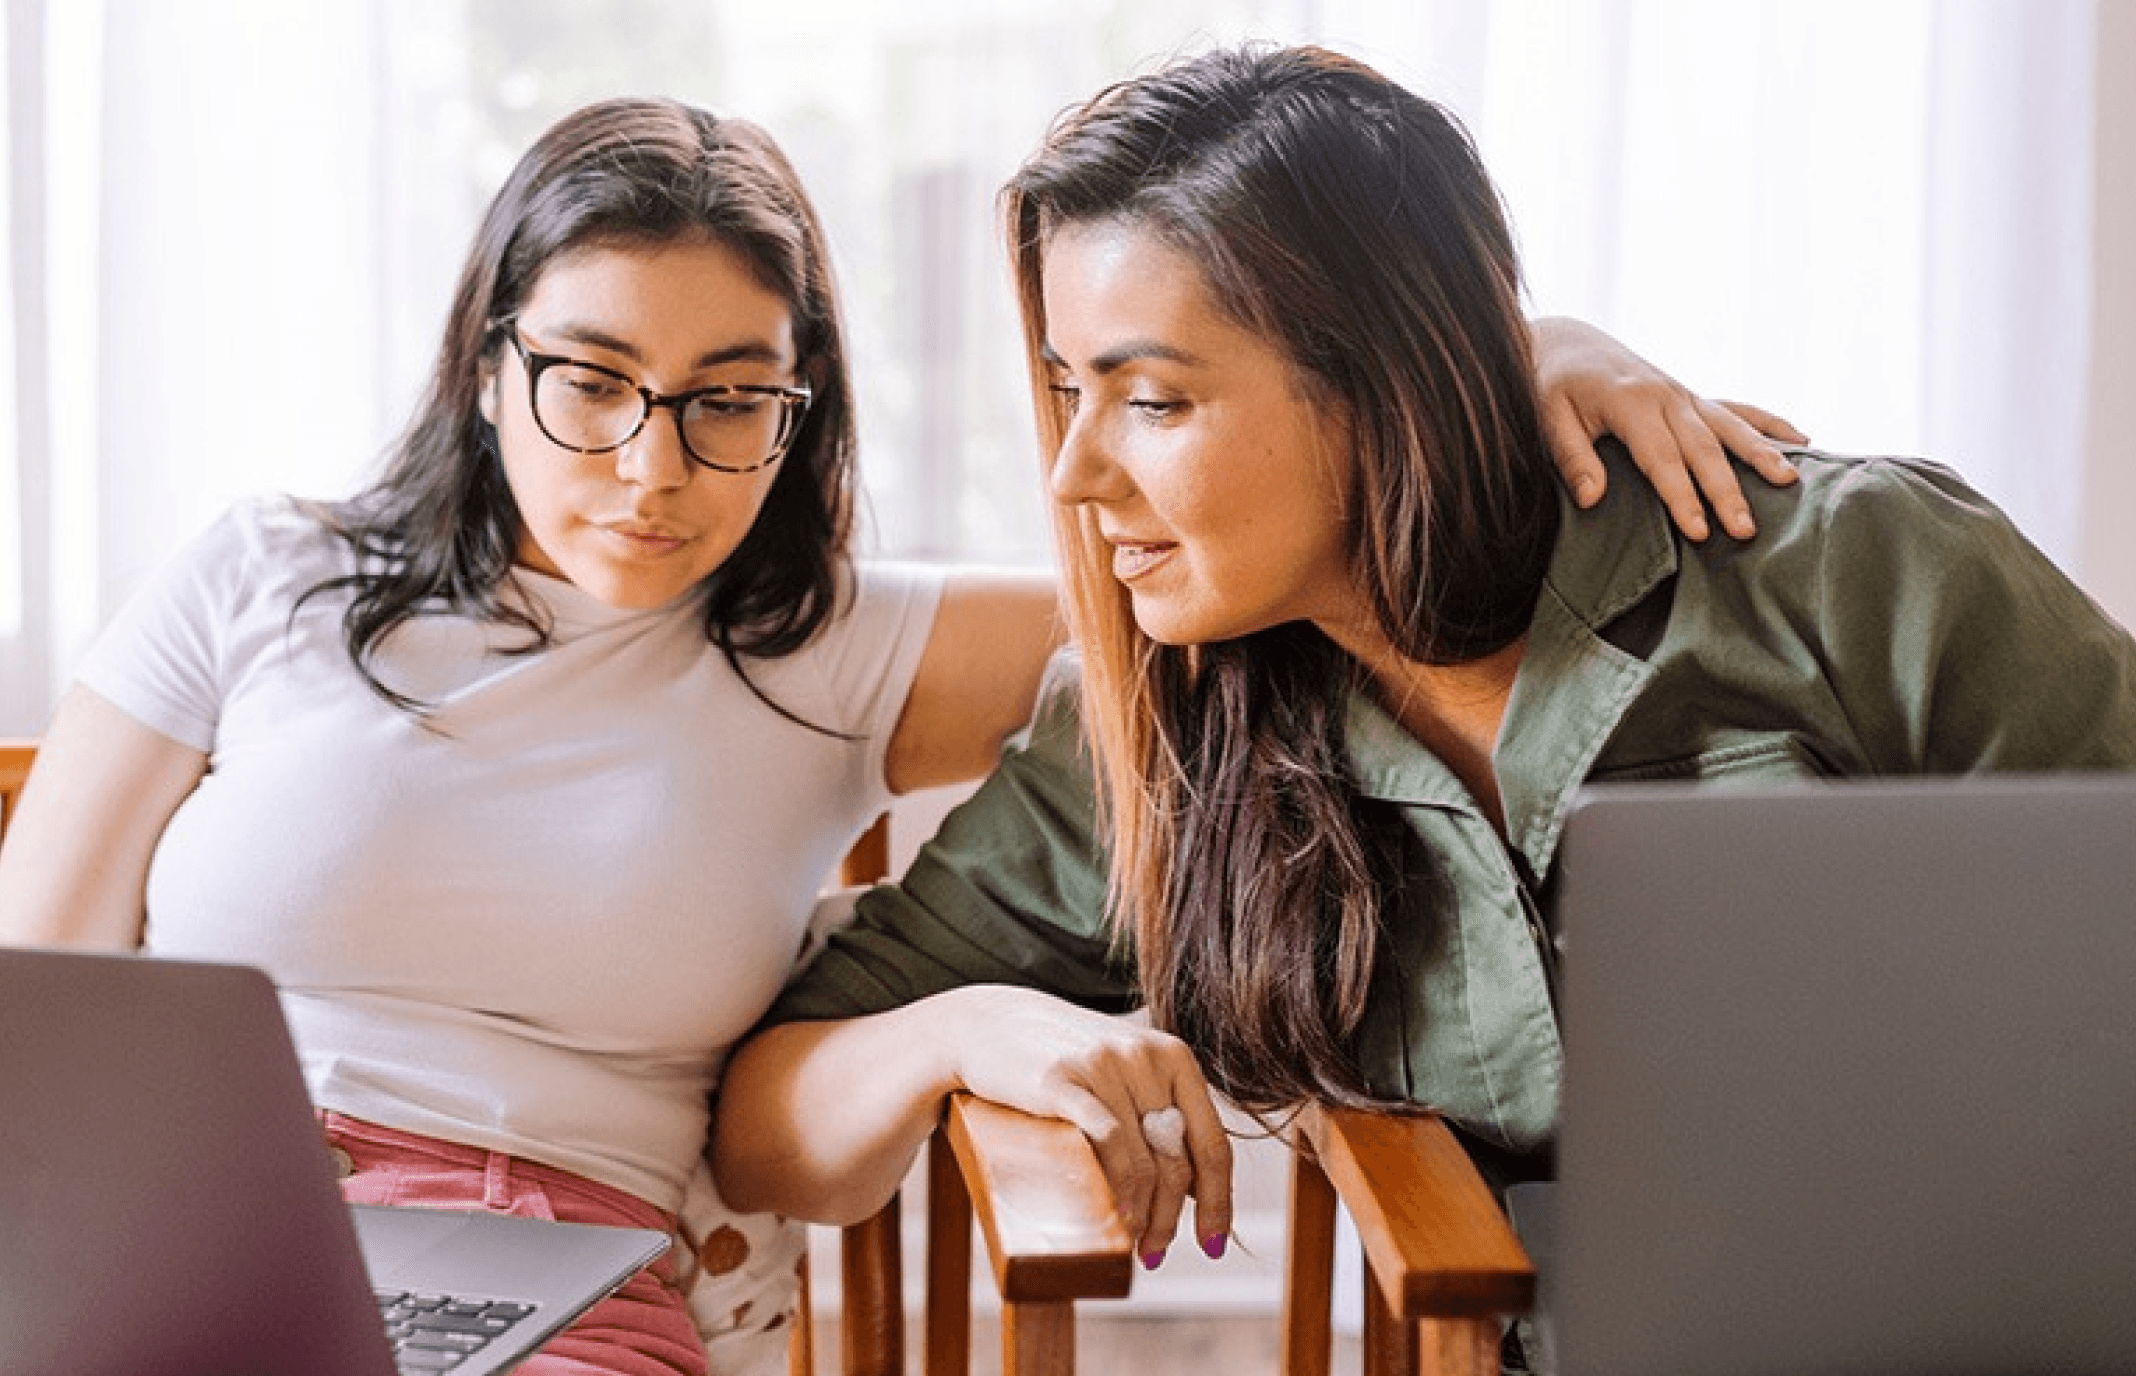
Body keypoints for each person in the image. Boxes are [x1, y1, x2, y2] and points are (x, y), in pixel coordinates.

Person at [0, 94, 1792, 1376]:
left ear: (802, 416)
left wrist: (1525, 356)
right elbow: (36, 988)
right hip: (211, 1227)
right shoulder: (268, 576)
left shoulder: (835, 648)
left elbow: (1274, 549)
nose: (650, 466)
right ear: (490, 363)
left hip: (562, 1273)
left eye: (732, 404)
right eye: (591, 380)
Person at [710, 43, 2136, 1372]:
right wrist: (965, 1034)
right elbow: (770, 1123)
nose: (1077, 474)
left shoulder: (1860, 571)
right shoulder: (1156, 739)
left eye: (1150, 402)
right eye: (1066, 390)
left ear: (1383, 384)